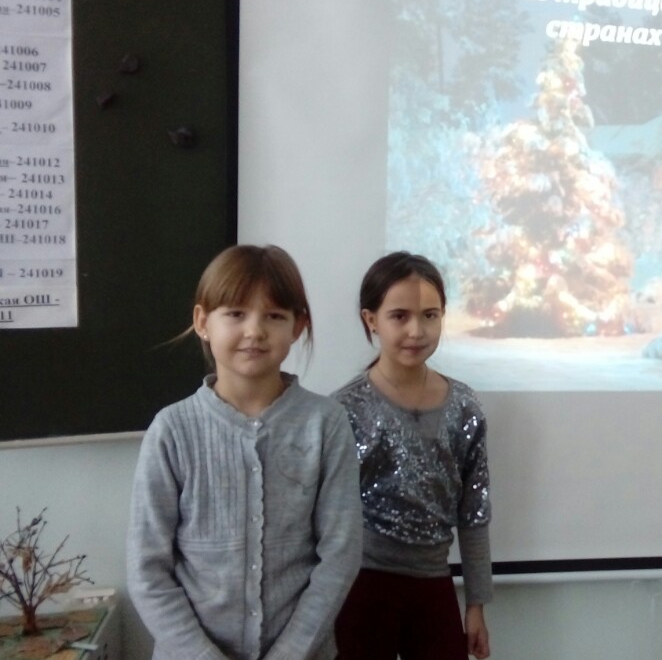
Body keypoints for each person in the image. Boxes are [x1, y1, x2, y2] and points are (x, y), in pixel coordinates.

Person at [127, 244, 362, 660]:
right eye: (236, 313)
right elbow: (148, 571)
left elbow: (340, 556)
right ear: (203, 322)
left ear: (298, 325)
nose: (254, 331)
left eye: (274, 316)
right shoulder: (172, 430)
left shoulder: (326, 423)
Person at [332, 252, 492, 660]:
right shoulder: (344, 409)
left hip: (434, 584)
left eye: (430, 316)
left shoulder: (464, 406)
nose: (416, 331)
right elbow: (324, 516)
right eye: (399, 316)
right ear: (371, 320)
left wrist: (476, 604)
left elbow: (474, 511)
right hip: (361, 587)